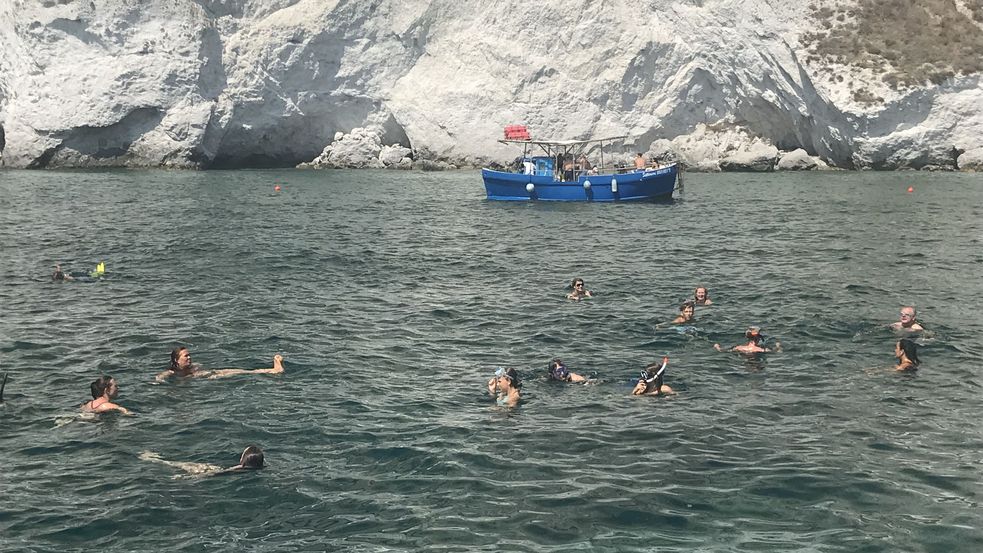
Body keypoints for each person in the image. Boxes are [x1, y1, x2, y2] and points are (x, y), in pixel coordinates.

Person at [156, 347, 285, 382]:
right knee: (242, 373)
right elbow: (161, 376)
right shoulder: (173, 371)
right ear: (177, 360)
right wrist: (159, 381)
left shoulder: (192, 366)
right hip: (208, 378)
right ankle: (273, 369)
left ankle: (273, 369)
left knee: (241, 371)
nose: (189, 357)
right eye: (186, 356)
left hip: (212, 374)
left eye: (189, 355)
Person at [139, 445, 265, 478]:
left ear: (242, 459)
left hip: (212, 473)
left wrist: (188, 478)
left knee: (189, 466)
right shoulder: (260, 468)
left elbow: (217, 474)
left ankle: (155, 459)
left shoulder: (238, 468)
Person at [714, 327, 781, 354]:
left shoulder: (739, 347)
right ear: (757, 339)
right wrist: (778, 346)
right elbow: (776, 351)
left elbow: (721, 351)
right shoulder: (762, 350)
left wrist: (717, 346)